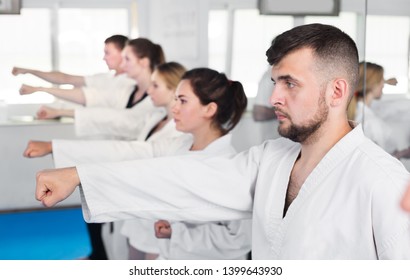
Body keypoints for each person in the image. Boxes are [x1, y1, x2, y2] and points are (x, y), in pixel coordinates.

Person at [34, 23, 410, 259]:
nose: (275, 97)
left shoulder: (383, 181)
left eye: (290, 83)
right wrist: (81, 174)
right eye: (274, 82)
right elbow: (186, 178)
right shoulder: (272, 159)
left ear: (337, 91)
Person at [30, 67, 251, 260]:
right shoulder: (179, 145)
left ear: (209, 109)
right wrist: (69, 165)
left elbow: (238, 239)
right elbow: (131, 152)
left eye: (182, 101)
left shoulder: (228, 166)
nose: (174, 107)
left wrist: (177, 233)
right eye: (175, 99)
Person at [24, 61, 187, 259]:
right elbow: (113, 121)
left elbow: (134, 150)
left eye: (156, 86)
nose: (150, 90)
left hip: (160, 220)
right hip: (140, 214)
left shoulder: (181, 134)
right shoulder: (156, 117)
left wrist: (58, 152)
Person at [35, 38, 165, 140]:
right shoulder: (129, 91)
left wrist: (58, 111)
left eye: (127, 59)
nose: (122, 64)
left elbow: (116, 118)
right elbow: (92, 97)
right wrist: (46, 95)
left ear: (144, 62)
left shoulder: (158, 100)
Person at [12, 35, 136, 109]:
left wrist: (39, 89)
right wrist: (29, 71)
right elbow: (65, 78)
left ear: (123, 52)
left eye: (107, 53)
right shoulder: (106, 78)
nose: (104, 58)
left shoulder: (130, 82)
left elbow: (85, 96)